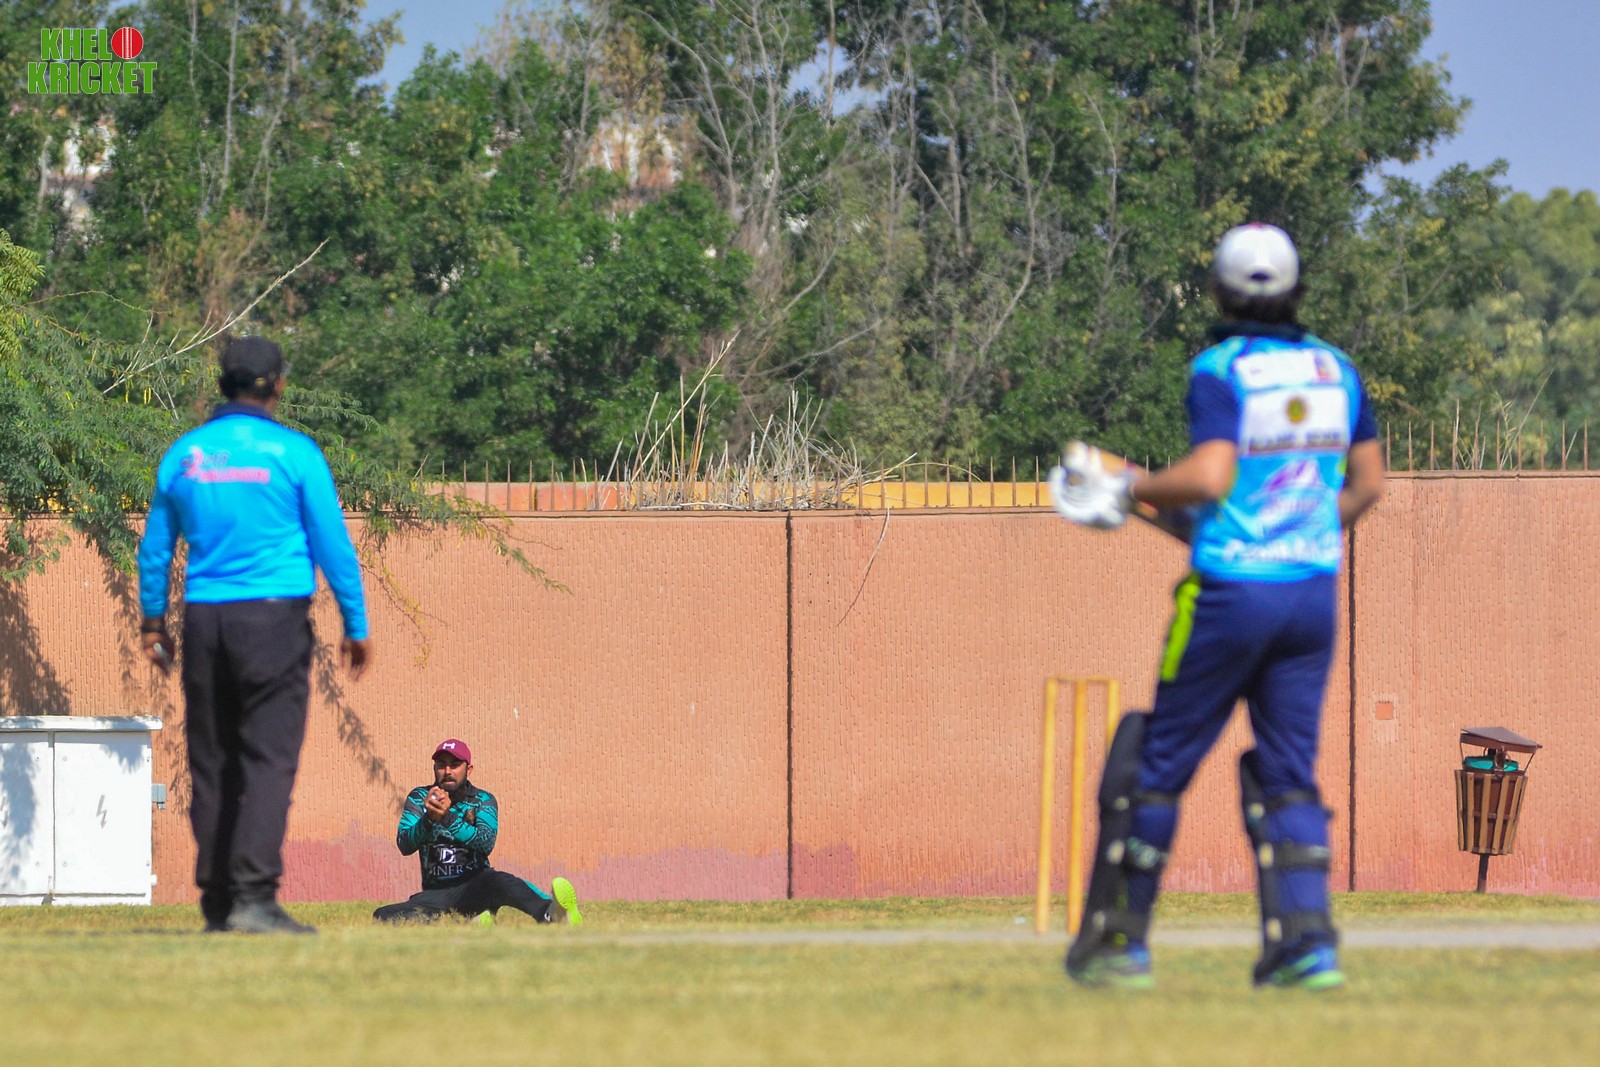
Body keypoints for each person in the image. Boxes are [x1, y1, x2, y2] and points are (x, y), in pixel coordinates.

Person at [1049, 223, 1385, 990]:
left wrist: (1126, 485)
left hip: (1229, 596)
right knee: (1288, 771)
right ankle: (1306, 947)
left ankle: (1119, 943)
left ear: (1217, 292)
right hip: (1310, 593)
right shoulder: (1336, 369)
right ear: (1298, 290)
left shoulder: (1219, 368)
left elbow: (1209, 476)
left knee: (1155, 764)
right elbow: (1368, 485)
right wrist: (1296, 534)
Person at [136, 336, 373, 935]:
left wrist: (153, 623)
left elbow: (156, 548)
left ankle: (218, 901)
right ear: (279, 385)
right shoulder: (295, 453)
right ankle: (254, 897)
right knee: (268, 759)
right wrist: (355, 624)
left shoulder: (185, 455)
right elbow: (333, 546)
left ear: (223, 383)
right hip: (272, 621)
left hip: (205, 622)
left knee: (212, 760)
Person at [373, 738, 583, 926]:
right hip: (436, 892)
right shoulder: (420, 797)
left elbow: (485, 843)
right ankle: (468, 920)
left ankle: (551, 914)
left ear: (469, 769)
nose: (447, 771)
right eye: (441, 765)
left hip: (477, 885)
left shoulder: (483, 800)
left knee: (501, 881)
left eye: (455, 764)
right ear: (434, 768)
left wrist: (446, 818)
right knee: (382, 915)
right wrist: (428, 819)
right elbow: (404, 844)